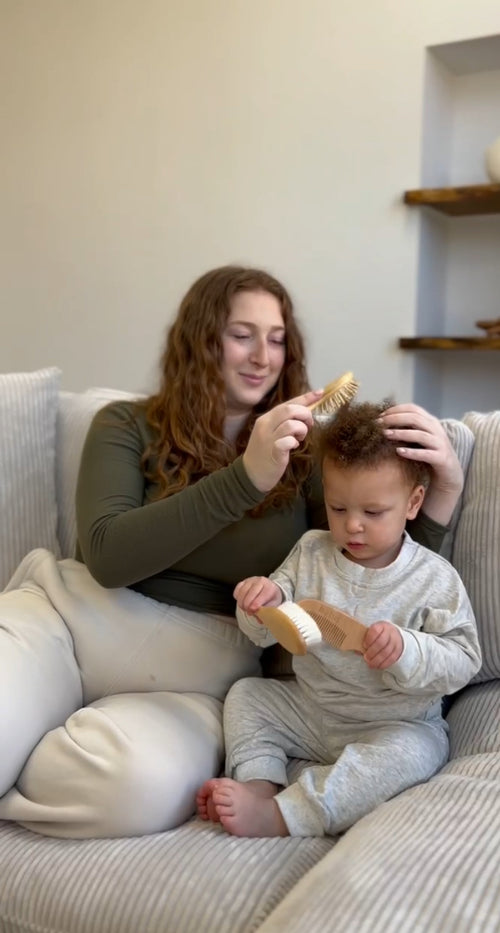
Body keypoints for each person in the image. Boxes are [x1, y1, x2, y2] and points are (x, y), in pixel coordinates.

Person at [0, 266, 465, 839]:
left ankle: (31, 747)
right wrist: (245, 478)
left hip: (199, 676)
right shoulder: (125, 424)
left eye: (276, 339)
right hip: (70, 621)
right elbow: (108, 556)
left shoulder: (309, 455)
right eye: (241, 334)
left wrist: (443, 491)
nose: (262, 357)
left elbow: (376, 570)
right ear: (201, 338)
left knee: (132, 789)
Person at [196, 401, 481, 838]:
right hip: (313, 711)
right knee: (247, 696)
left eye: (373, 513)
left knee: (412, 754)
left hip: (394, 723)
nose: (353, 527)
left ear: (413, 503)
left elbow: (464, 660)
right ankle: (259, 782)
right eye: (339, 508)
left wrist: (409, 649)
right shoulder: (312, 551)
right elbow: (268, 629)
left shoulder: (433, 578)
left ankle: (287, 813)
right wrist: (260, 602)